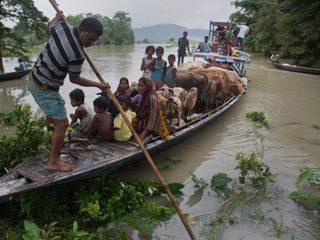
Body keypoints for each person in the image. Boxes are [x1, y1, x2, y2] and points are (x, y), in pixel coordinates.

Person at [28, 13, 109, 172]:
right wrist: (99, 85)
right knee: (63, 123)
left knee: (54, 117)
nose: (91, 43)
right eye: (89, 38)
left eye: (94, 40)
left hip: (34, 79)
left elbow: (48, 26)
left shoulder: (62, 27)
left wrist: (56, 17)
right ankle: (54, 161)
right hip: (44, 88)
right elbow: (75, 79)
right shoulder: (77, 54)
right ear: (81, 29)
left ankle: (53, 142)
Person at [132, 77, 162, 141]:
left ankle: (148, 134)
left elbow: (152, 118)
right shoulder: (144, 95)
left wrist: (143, 133)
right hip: (145, 120)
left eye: (142, 86)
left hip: (151, 126)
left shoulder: (152, 98)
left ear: (148, 86)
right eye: (138, 85)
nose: (139, 88)